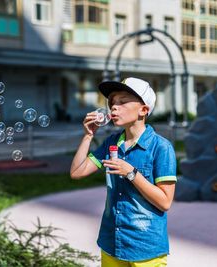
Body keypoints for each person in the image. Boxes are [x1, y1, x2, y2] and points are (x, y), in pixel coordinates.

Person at [70, 77, 177, 267]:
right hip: (112, 242)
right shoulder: (111, 143)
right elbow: (77, 172)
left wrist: (132, 173)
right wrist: (88, 136)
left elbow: (165, 201)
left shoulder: (161, 147)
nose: (114, 107)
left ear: (144, 110)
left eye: (122, 101)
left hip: (145, 248)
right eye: (112, 102)